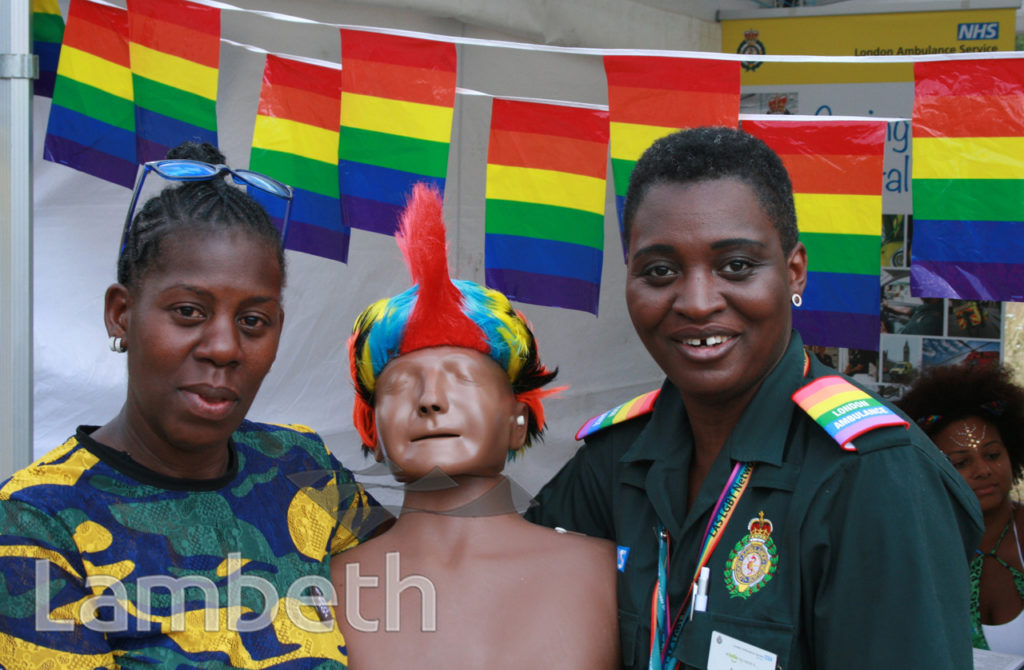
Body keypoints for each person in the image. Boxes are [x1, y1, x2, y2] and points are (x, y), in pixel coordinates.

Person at [525, 126, 983, 670]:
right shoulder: (617, 456)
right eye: (660, 270)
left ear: (794, 272)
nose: (696, 303)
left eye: (735, 266)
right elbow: (509, 591)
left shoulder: (875, 475)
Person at [0, 142, 386, 667]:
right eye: (188, 311)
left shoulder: (302, 468)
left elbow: (419, 600)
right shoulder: (36, 523)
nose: (225, 347)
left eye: (253, 321)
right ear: (121, 314)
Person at [331, 183, 618, 669]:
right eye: (401, 387)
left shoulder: (609, 574)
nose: (430, 400)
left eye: (462, 379)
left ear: (518, 419)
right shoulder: (327, 587)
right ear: (372, 431)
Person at [897, 363, 1024, 656]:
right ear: (930, 469)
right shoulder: (916, 546)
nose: (982, 470)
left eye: (992, 455)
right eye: (960, 463)